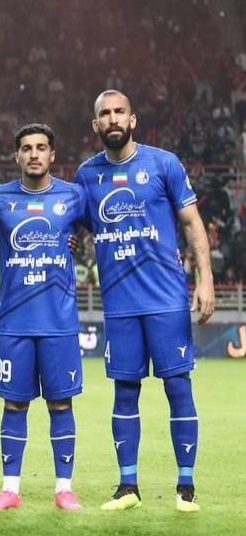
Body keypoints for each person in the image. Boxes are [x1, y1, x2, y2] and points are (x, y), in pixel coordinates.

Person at [75, 90, 214, 512]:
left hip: (166, 298)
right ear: (95, 125)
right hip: (119, 304)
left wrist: (205, 280)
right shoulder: (86, 175)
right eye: (105, 114)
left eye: (120, 112)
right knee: (124, 391)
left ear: (133, 119)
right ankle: (127, 487)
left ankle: (186, 487)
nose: (113, 119)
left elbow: (191, 222)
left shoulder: (163, 164)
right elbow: (74, 224)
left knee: (177, 386)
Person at [0, 124, 90, 511]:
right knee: (14, 405)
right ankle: (10, 489)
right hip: (14, 323)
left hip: (59, 323)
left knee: (61, 405)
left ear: (52, 154)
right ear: (17, 156)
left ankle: (64, 489)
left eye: (41, 147)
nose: (34, 154)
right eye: (26, 148)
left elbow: (100, 228)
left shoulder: (73, 196)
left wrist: (80, 240)